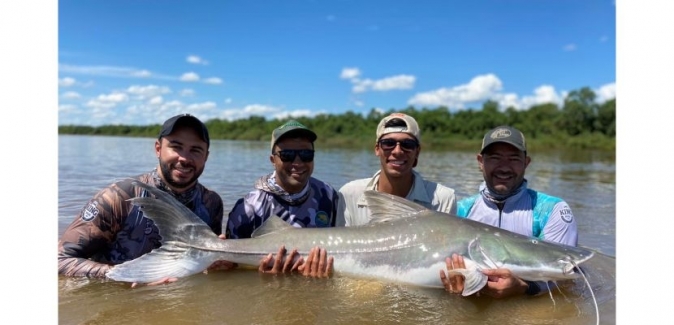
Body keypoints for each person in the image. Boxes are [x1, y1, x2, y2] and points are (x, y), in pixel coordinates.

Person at [58, 114, 232, 285]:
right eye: (176, 147)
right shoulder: (121, 196)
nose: (184, 158)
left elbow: (201, 266)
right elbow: (60, 260)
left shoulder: (211, 203)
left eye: (195, 150)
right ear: (158, 149)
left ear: (206, 157)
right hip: (122, 301)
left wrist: (215, 263)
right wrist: (126, 276)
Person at [440, 125, 579, 298]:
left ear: (526, 163)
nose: (504, 167)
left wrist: (526, 288)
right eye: (495, 158)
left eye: (513, 159)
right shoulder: (459, 211)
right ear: (480, 161)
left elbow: (565, 277)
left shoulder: (553, 210)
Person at [226, 120, 339, 276]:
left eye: (306, 155)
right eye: (287, 155)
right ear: (273, 160)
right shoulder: (247, 208)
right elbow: (230, 272)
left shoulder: (328, 195)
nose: (298, 163)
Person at [337, 112, 457, 226]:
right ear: (377, 149)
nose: (397, 151)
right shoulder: (349, 194)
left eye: (407, 144)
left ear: (417, 151)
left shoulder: (443, 199)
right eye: (388, 143)